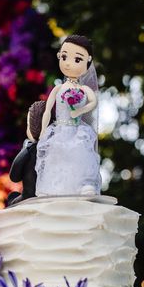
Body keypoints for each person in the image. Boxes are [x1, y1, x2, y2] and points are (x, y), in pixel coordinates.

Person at [35, 34, 101, 196]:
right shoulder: (59, 88)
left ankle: (82, 186)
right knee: (58, 158)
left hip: (77, 130)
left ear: (88, 61)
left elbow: (93, 102)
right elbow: (48, 108)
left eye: (77, 60)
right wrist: (43, 130)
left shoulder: (84, 90)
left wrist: (80, 111)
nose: (69, 64)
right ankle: (52, 188)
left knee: (79, 157)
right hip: (60, 129)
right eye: (64, 57)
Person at [7, 101, 46, 205]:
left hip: (30, 197)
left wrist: (25, 150)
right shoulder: (54, 148)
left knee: (12, 199)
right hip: (50, 195)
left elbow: (14, 177)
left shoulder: (29, 149)